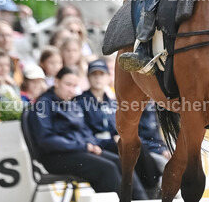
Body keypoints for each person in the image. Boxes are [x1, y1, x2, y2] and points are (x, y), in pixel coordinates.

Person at [29, 67, 148, 199]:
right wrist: (83, 146)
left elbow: (84, 131)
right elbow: (45, 140)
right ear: (56, 82)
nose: (71, 90)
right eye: (68, 84)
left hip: (78, 151)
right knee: (106, 168)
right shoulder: (43, 104)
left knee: (121, 161)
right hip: (56, 156)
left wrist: (92, 144)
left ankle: (142, 200)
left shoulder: (69, 103)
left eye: (74, 86)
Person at [79, 59, 162, 193]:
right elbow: (83, 129)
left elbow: (117, 126)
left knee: (137, 147)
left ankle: (151, 187)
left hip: (114, 142)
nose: (98, 78)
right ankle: (148, 191)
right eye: (94, 75)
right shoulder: (81, 102)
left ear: (108, 77)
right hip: (99, 144)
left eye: (101, 74)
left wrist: (120, 136)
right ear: (88, 78)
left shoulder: (112, 101)